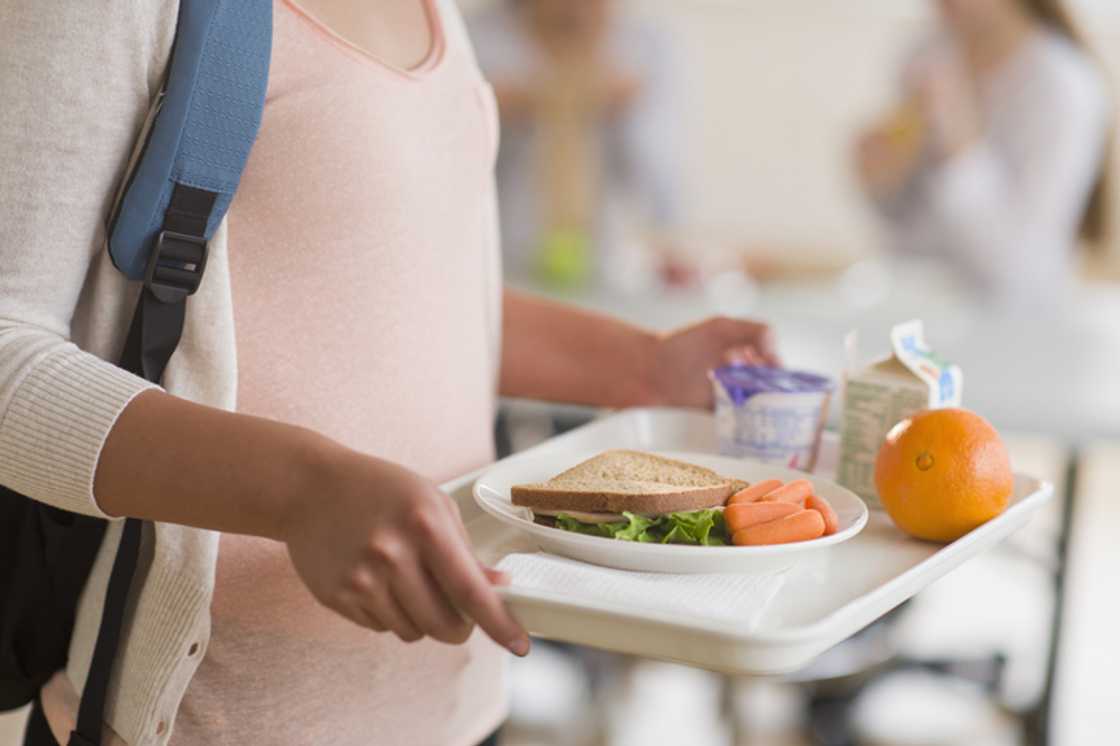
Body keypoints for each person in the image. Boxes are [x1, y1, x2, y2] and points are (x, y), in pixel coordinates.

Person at [0, 2, 777, 745]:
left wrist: (642, 366)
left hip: (459, 704)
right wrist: (302, 491)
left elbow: (403, 290)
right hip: (223, 718)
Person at [855, 0, 1111, 303]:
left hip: (1019, 321)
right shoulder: (926, 55)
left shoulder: (1063, 87)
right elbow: (912, 231)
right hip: (921, 308)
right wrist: (882, 185)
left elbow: (1018, 272)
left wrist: (962, 150)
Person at [468, 0, 683, 291]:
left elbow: (664, 198)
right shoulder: (476, 40)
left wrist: (627, 115)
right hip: (497, 272)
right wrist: (497, 112)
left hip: (611, 274)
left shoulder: (647, 46)